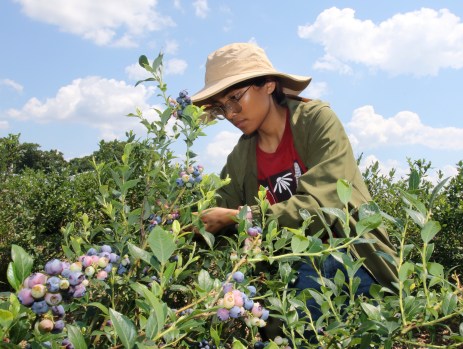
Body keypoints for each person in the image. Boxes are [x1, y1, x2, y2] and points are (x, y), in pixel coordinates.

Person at [191, 42, 397, 330]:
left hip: (350, 259)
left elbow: (324, 204)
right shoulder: (241, 156)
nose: (232, 112)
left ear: (269, 85)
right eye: (222, 107)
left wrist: (240, 216)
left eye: (236, 97)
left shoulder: (317, 121)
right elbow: (213, 208)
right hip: (287, 274)